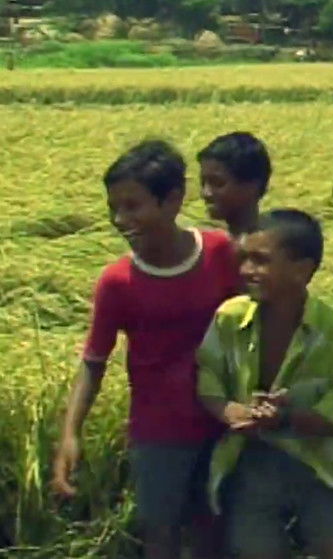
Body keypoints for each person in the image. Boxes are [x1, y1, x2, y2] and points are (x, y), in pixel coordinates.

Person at [50, 139, 240, 559]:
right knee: (161, 535)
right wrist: (69, 435)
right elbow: (93, 362)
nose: (120, 220)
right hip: (159, 431)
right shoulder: (117, 282)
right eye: (113, 208)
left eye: (133, 206)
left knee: (214, 534)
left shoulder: (220, 253)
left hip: (225, 423)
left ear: (173, 200)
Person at [197, 209, 333, 559]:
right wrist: (231, 412)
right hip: (250, 460)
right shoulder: (229, 318)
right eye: (244, 259)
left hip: (315, 464)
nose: (246, 270)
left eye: (260, 261)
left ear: (301, 270)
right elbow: (208, 377)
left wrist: (286, 418)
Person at [198, 131, 272, 241]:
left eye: (218, 183)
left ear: (252, 186)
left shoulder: (275, 246)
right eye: (203, 182)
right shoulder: (206, 244)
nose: (205, 193)